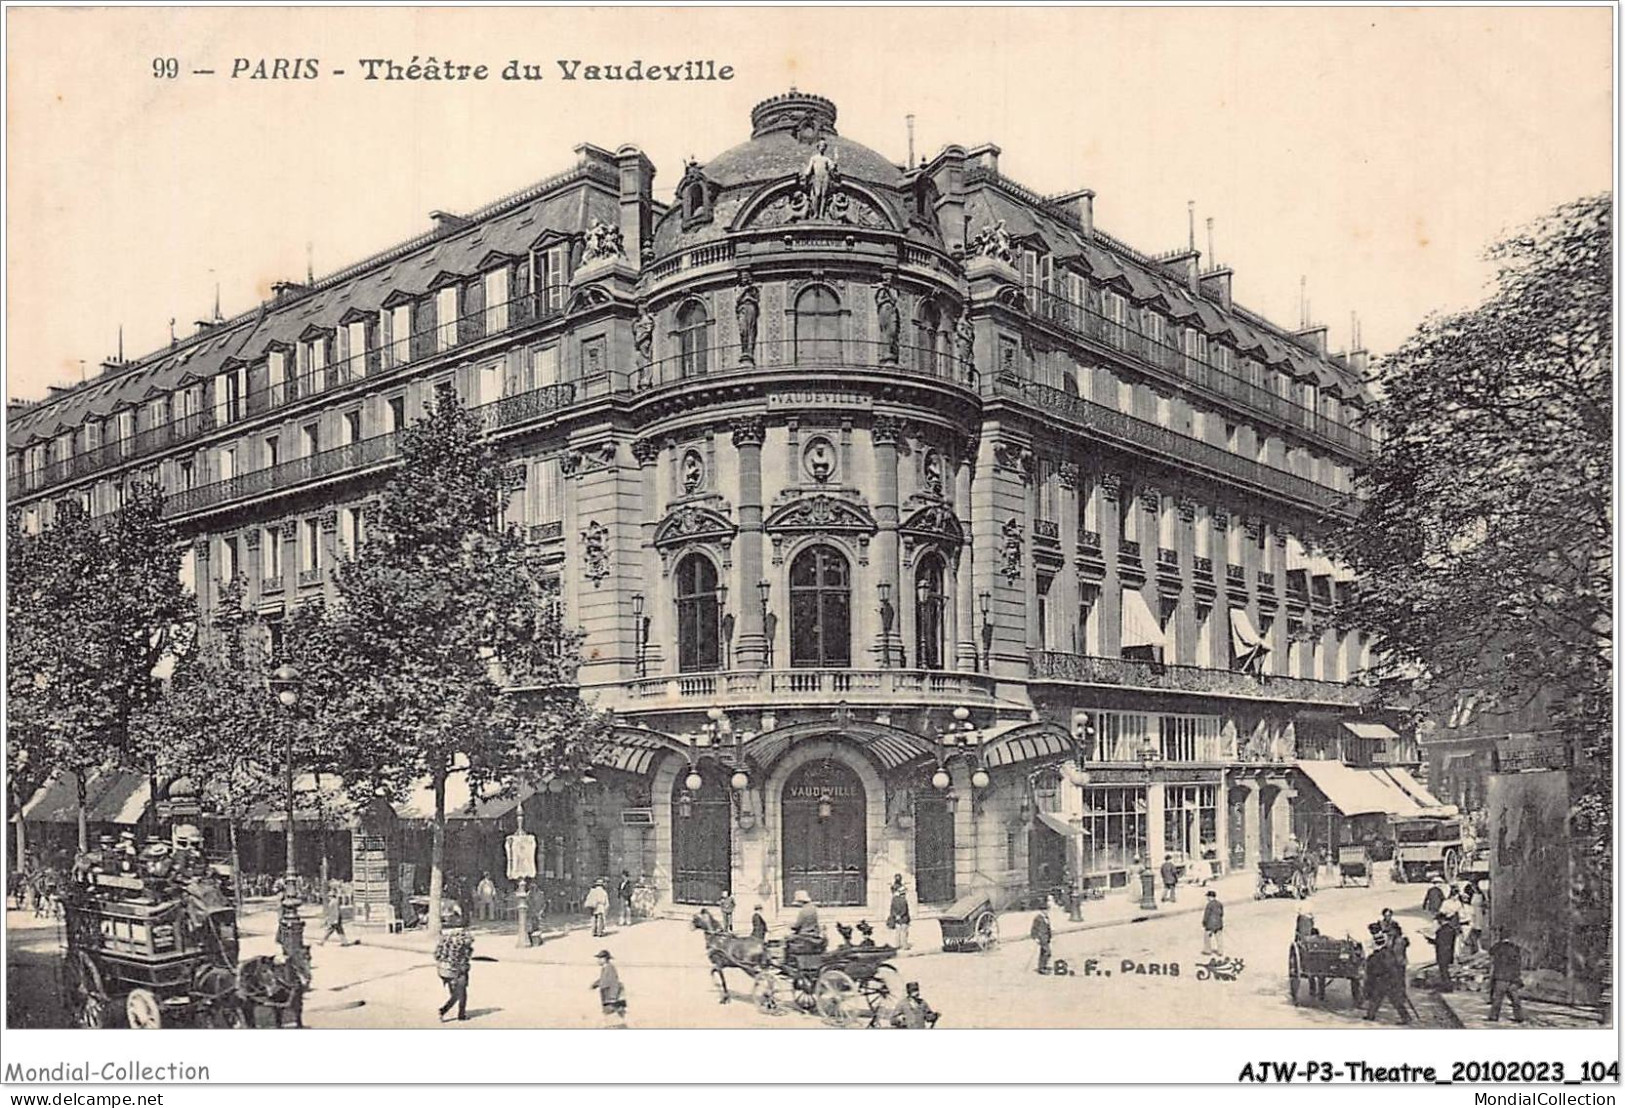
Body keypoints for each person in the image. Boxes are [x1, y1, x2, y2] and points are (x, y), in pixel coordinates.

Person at [1362, 924, 1413, 1024]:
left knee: (1393, 1000)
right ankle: (1370, 1015)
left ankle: (1406, 1017)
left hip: (1387, 980)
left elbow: (1390, 967)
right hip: (1384, 979)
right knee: (1377, 998)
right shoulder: (1383, 953)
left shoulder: (1383, 954)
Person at [434, 923, 474, 1022]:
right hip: (458, 971)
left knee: (455, 993)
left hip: (444, 971)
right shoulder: (463, 943)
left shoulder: (443, 941)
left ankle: (456, 1013)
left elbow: (437, 956)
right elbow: (465, 959)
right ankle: (447, 1011)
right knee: (461, 994)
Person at [1487, 931, 1527, 1023]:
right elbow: (1518, 964)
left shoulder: (1497, 947)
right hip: (1512, 977)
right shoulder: (1515, 948)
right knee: (1515, 998)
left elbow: (1491, 952)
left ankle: (1494, 1016)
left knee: (1498, 998)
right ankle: (1519, 1017)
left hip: (1500, 976)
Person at [591, 949, 626, 1027]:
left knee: (613, 1020)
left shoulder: (610, 968)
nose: (598, 961)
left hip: (611, 998)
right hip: (607, 996)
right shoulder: (606, 968)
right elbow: (604, 979)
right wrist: (595, 984)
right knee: (611, 1019)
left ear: (605, 959)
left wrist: (613, 997)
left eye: (600, 958)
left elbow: (614, 983)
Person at [1426, 910, 1460, 991]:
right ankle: (1446, 986)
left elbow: (1440, 942)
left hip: (1443, 952)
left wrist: (1430, 940)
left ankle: (1447, 987)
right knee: (1445, 970)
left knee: (1444, 971)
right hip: (1448, 952)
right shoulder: (1450, 929)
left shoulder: (1443, 930)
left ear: (1441, 920)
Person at [788, 890, 823, 954]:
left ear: (800, 901)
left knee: (786, 939)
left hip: (805, 935)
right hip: (814, 933)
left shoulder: (803, 911)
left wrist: (791, 926)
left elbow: (797, 926)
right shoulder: (813, 908)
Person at [887, 874, 911, 950]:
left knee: (897, 932)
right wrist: (901, 915)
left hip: (897, 918)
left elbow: (892, 909)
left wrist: (895, 916)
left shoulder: (893, 900)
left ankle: (897, 945)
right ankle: (904, 946)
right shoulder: (903, 900)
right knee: (904, 932)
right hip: (903, 918)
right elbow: (905, 910)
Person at [1030, 908, 1053, 974]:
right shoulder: (1038, 918)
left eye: (1047, 910)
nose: (1047, 911)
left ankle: (1043, 966)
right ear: (1041, 910)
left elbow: (1048, 928)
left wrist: (1050, 936)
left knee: (1043, 952)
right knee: (1047, 952)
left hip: (1046, 938)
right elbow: (1034, 928)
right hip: (1041, 938)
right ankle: (1042, 968)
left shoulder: (1046, 917)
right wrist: (1035, 937)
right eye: (1045, 910)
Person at [1202, 890, 1225, 955]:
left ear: (1210, 897)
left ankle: (1208, 950)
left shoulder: (1209, 905)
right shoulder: (1219, 903)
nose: (1207, 898)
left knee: (1207, 937)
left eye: (1208, 896)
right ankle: (1220, 951)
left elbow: (1206, 915)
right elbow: (1222, 913)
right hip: (1219, 924)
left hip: (1210, 924)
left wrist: (1204, 922)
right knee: (1219, 938)